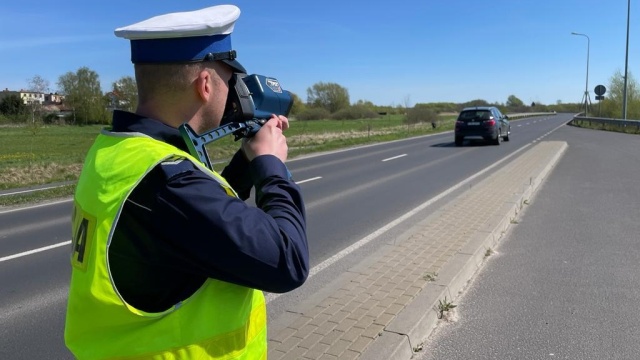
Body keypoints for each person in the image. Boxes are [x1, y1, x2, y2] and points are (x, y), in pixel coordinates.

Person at [64, 4, 309, 359]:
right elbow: (289, 261)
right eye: (229, 78)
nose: (233, 89)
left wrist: (248, 158)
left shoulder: (117, 152)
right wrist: (271, 166)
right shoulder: (168, 183)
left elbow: (201, 224)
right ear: (206, 84)